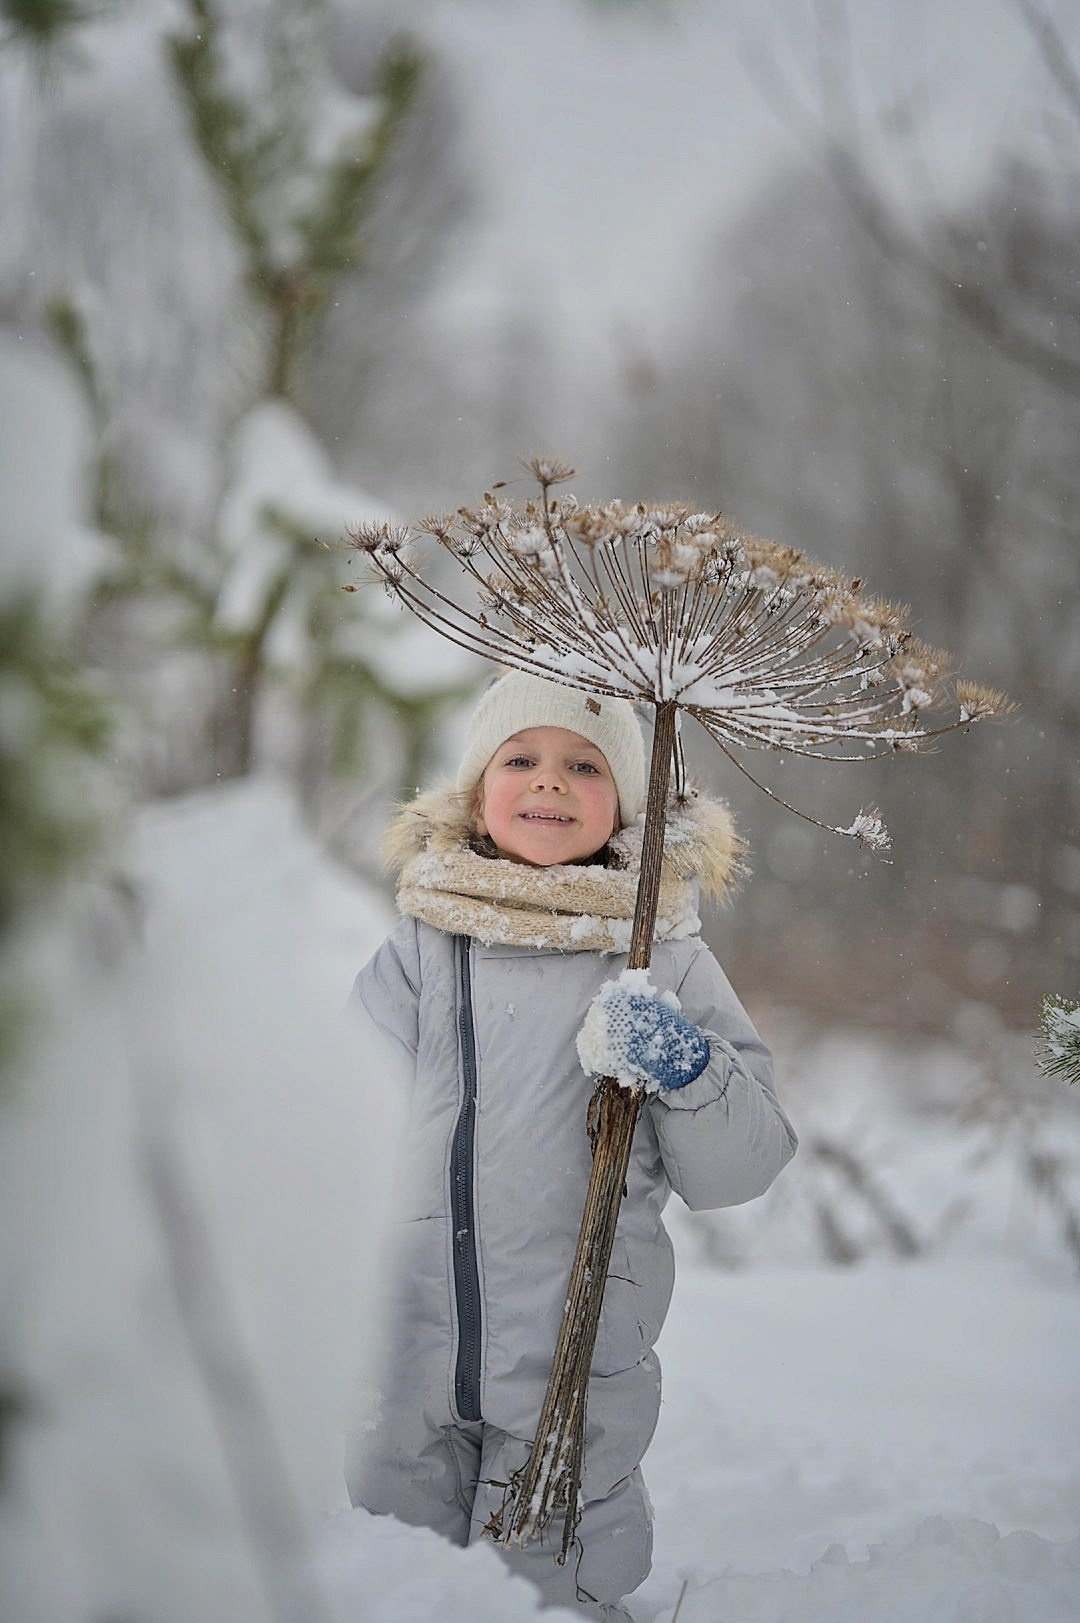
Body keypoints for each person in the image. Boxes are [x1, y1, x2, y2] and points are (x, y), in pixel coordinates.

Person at [346, 670, 797, 1619]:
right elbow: (339, 1114)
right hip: (400, 1354)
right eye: (521, 758)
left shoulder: (659, 954)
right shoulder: (424, 947)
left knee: (545, 1591)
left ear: (627, 806)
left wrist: (684, 1065)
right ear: (477, 794)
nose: (549, 781)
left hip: (576, 1364)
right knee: (390, 1585)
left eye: (583, 765)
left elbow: (745, 1161)